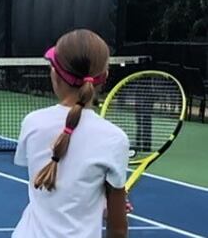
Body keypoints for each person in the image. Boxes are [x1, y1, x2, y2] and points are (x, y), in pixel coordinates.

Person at [12, 29, 129, 238]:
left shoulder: (33, 124)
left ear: (55, 74)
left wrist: (96, 203)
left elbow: (53, 188)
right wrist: (102, 204)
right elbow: (118, 229)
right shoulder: (115, 139)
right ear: (105, 77)